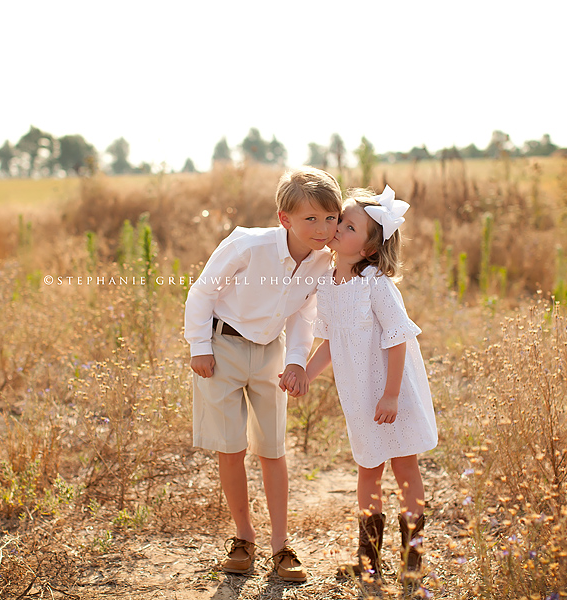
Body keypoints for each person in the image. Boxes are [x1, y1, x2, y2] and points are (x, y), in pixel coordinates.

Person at [184, 167, 342, 582]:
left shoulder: (323, 261)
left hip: (270, 353)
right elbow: (202, 291)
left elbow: (305, 315)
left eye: (330, 218)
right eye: (310, 218)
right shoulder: (248, 245)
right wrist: (200, 347)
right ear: (284, 218)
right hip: (222, 349)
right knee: (231, 447)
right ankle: (244, 538)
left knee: (272, 448)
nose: (322, 228)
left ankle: (280, 546)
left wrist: (295, 361)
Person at [297, 185, 438, 580]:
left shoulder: (377, 285)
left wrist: (391, 394)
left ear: (370, 249)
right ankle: (369, 560)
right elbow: (330, 340)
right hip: (359, 394)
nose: (338, 227)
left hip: (391, 392)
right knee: (367, 468)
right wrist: (305, 373)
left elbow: (398, 340)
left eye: (349, 225)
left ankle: (413, 560)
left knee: (404, 467)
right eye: (340, 219)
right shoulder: (327, 281)